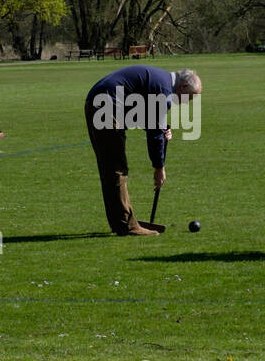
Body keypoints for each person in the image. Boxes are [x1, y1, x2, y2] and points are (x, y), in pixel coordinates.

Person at [85, 65, 201, 236]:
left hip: (97, 101)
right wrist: (159, 167)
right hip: (107, 105)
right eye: (188, 98)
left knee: (111, 168)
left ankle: (120, 223)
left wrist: (161, 129)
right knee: (116, 168)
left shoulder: (162, 82)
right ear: (183, 87)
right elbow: (153, 134)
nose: (186, 103)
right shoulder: (164, 91)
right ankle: (127, 226)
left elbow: (145, 118)